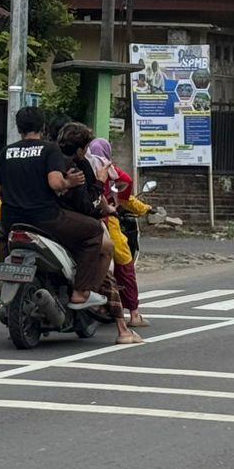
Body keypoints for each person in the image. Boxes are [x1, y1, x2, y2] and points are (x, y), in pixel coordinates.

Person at [0, 107, 122, 335]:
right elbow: (56, 184)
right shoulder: (49, 150)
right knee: (93, 232)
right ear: (43, 127)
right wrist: (69, 183)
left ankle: (2, 287)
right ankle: (81, 291)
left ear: (19, 128)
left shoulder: (6, 152)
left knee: (1, 238)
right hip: (45, 219)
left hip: (12, 222)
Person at [55, 124, 140, 344]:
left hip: (29, 218)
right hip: (68, 223)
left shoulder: (49, 157)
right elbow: (88, 204)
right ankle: (87, 293)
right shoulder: (83, 166)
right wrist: (101, 182)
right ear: (82, 148)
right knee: (108, 250)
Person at [86, 136, 161, 330]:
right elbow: (125, 196)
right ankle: (134, 314)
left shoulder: (81, 166)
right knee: (125, 263)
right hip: (106, 222)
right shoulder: (108, 170)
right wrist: (145, 209)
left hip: (79, 220)